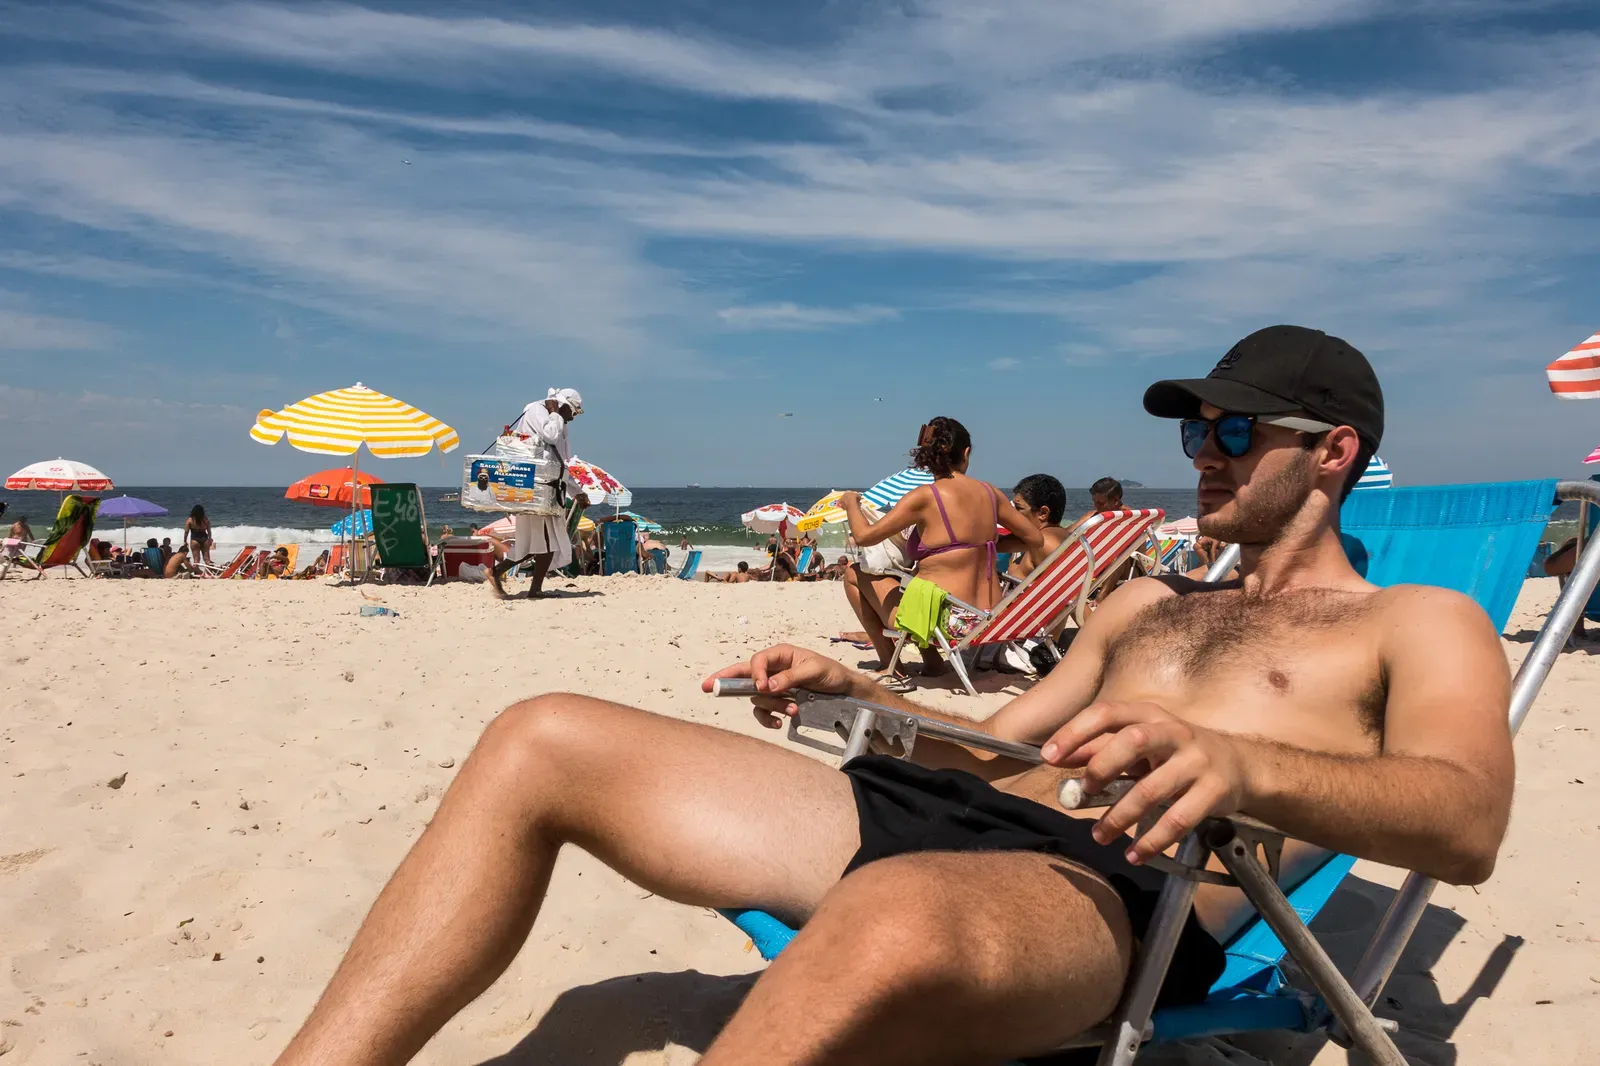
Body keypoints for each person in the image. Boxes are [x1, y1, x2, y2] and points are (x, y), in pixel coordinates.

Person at [270, 326, 1516, 1066]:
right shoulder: (1146, 604)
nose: (1203, 455)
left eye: (1236, 435)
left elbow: (1464, 821)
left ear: (1333, 451)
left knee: (896, 914)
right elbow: (987, 744)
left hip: (1114, 888)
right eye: (1197, 432)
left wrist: (1245, 767)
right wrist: (860, 687)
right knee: (541, 735)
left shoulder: (1417, 623)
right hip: (927, 813)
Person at [840, 417, 1044, 684]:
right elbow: (1034, 539)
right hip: (988, 618)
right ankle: (933, 664)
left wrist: (851, 502)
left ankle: (892, 664)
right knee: (922, 588)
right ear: (966, 452)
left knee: (854, 573)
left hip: (946, 624)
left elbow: (864, 536)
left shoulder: (924, 497)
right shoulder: (990, 493)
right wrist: (986, 545)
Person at [489, 388, 584, 600]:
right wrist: (555, 412)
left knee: (539, 543)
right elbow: (549, 436)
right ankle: (505, 576)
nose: (574, 417)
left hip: (546, 490)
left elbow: (559, 462)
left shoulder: (556, 420)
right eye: (574, 411)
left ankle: (528, 586)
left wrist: (576, 491)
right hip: (534, 489)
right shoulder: (540, 411)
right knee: (545, 542)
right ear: (564, 404)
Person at [1000, 473, 1069, 579]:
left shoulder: (1043, 543)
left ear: (1043, 513)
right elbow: (996, 545)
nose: (1012, 514)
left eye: (1018, 508)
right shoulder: (1062, 537)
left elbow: (1069, 594)